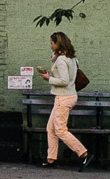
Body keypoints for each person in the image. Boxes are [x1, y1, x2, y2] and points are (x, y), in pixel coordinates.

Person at [37, 31, 93, 169]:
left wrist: (48, 78)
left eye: (52, 43)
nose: (50, 45)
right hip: (68, 96)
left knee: (60, 130)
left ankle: (84, 154)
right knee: (50, 128)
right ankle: (51, 158)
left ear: (58, 43)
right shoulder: (71, 58)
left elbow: (64, 80)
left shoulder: (62, 60)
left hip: (64, 97)